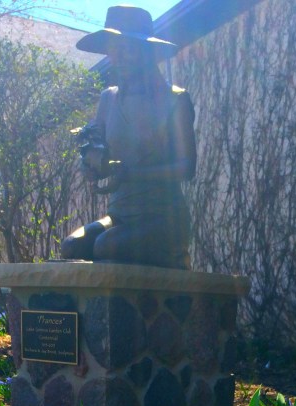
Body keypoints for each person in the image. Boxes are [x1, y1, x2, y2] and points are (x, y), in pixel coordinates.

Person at [61, 5, 196, 269]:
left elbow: (186, 167)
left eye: (126, 48)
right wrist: (91, 165)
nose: (117, 56)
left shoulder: (174, 100)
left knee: (105, 246)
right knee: (73, 246)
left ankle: (173, 253)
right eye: (113, 48)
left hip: (161, 217)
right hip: (120, 215)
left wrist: (131, 173)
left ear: (146, 52)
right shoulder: (108, 99)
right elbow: (98, 148)